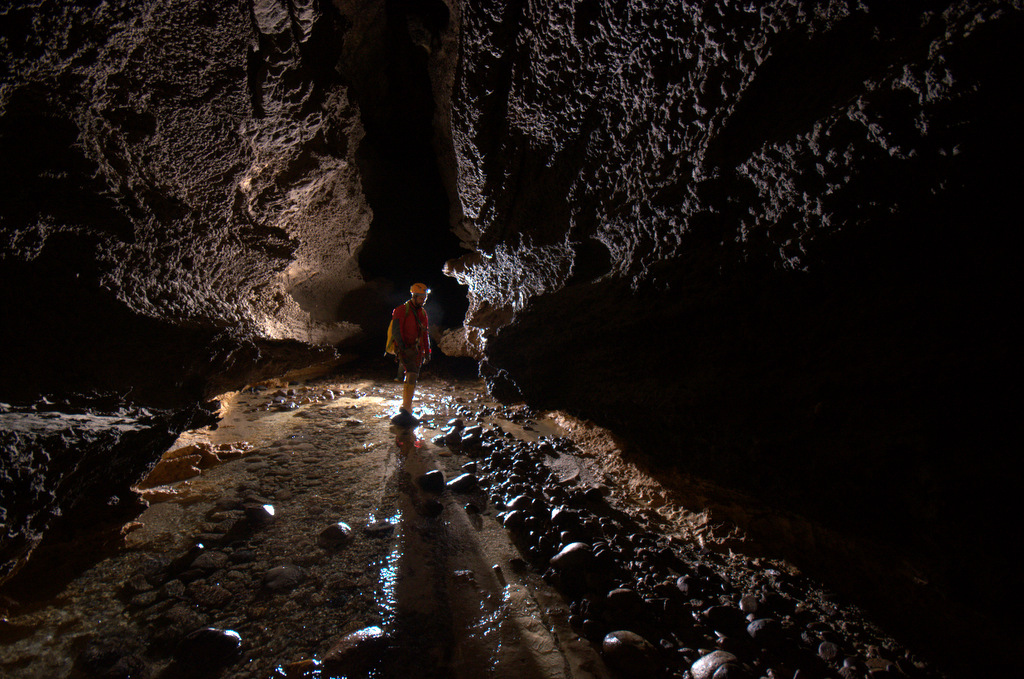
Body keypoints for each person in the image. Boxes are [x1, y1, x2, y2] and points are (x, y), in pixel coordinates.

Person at [389, 283, 432, 425]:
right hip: (405, 348)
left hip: (416, 349)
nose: (423, 300)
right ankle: (406, 408)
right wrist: (401, 348)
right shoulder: (401, 310)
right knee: (412, 373)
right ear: (414, 296)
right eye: (421, 298)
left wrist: (427, 351)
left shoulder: (423, 313)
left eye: (425, 298)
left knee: (412, 375)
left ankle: (407, 407)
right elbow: (396, 330)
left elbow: (424, 333)